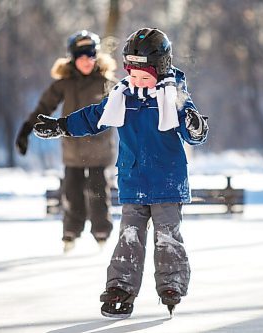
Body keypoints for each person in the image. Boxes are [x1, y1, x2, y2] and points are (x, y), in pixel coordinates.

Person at [32, 28, 209, 318]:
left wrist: (195, 125)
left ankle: (171, 283)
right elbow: (93, 118)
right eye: (132, 74)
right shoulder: (121, 96)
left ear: (161, 69)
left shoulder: (173, 95)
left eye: (144, 76)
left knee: (167, 235)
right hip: (134, 181)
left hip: (167, 181)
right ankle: (120, 288)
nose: (136, 81)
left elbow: (193, 132)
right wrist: (60, 126)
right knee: (129, 236)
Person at [15, 30, 117, 252]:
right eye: (81, 58)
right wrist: (25, 130)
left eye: (91, 57)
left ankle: (101, 233)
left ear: (96, 57)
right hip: (73, 151)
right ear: (73, 59)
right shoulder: (64, 84)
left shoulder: (106, 83)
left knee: (99, 193)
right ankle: (70, 233)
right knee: (71, 194)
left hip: (100, 149)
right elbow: (44, 108)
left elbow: (121, 110)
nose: (87, 62)